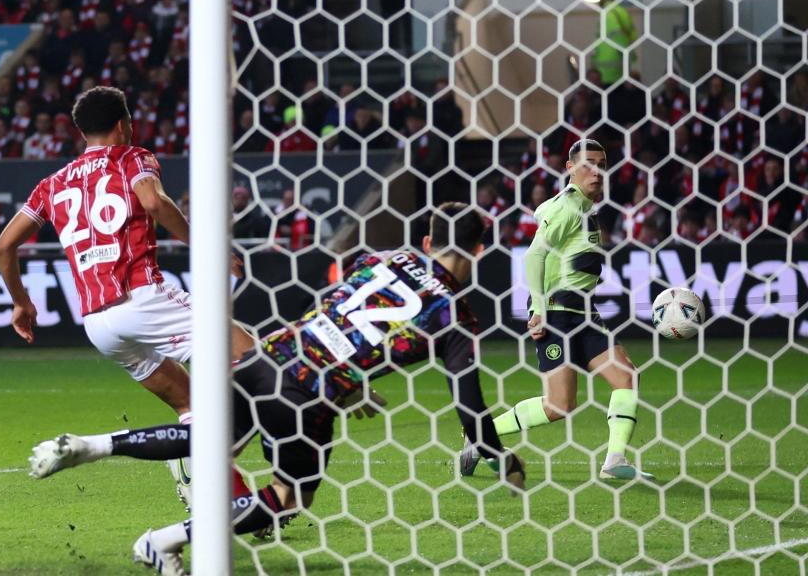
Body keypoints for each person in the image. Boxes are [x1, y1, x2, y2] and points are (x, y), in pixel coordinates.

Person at [27, 203, 525, 575]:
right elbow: (469, 404)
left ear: (426, 238)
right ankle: (163, 540)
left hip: (271, 356)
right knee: (288, 497)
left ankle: (95, 445)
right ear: (482, 249)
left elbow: (338, 310)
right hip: (309, 395)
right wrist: (501, 457)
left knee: (209, 435)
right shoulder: (455, 315)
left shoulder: (381, 260)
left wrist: (352, 381)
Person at [0, 86, 254, 502]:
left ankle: (227, 496)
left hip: (98, 324)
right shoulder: (133, 157)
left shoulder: (51, 184)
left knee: (190, 406)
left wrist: (21, 301)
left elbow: (4, 246)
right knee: (256, 360)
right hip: (142, 298)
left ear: (81, 131)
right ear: (123, 124)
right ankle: (203, 461)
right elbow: (153, 201)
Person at [461, 139, 652, 482]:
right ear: (570, 167)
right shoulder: (567, 207)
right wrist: (538, 309)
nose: (596, 171)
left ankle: (615, 460)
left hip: (585, 315)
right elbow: (534, 256)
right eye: (588, 163)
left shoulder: (584, 208)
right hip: (559, 315)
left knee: (626, 376)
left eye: (602, 164)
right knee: (559, 405)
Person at [592, 0, 637, 87]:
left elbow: (618, 35)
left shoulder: (607, 13)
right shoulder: (622, 12)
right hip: (622, 67)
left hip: (607, 71)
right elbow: (633, 35)